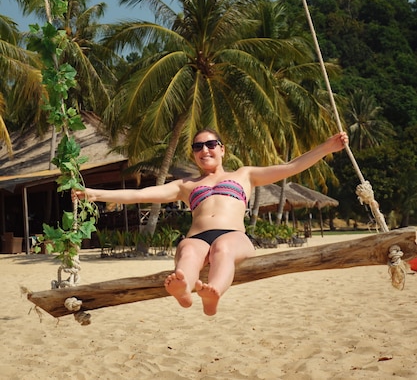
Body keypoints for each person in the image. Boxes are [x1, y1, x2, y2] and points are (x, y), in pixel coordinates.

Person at [73, 128, 348, 315]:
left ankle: (213, 293)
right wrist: (94, 193)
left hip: (232, 236)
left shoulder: (245, 175)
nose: (205, 149)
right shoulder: (185, 185)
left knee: (222, 250)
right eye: (198, 146)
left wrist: (327, 147)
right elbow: (139, 194)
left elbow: (290, 167)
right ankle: (184, 290)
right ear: (194, 153)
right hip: (197, 236)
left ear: (222, 149)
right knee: (188, 251)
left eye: (210, 144)